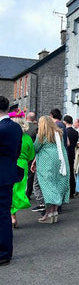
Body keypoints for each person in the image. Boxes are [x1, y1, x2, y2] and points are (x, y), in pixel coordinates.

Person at [33, 116, 70, 223]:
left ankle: (49, 214)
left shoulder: (42, 135)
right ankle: (54, 212)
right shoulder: (59, 133)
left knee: (47, 187)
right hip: (60, 161)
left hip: (46, 163)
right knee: (56, 185)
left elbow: (35, 148)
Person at [0, 96, 23, 265]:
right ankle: (5, 252)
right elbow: (17, 151)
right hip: (8, 173)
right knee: (4, 215)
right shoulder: (16, 128)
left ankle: (3, 253)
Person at [10, 111, 35, 228]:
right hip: (23, 164)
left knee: (9, 189)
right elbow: (31, 155)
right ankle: (13, 214)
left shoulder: (7, 136)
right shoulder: (27, 138)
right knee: (19, 189)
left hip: (9, 163)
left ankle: (12, 215)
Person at [63, 115, 79, 197]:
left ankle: (68, 191)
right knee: (71, 173)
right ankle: (72, 190)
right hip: (72, 153)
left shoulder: (65, 132)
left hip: (66, 153)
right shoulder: (75, 132)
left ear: (65, 122)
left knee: (66, 173)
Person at [25, 111, 38, 199]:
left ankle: (20, 192)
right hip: (32, 154)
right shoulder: (36, 128)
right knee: (30, 174)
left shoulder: (22, 126)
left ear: (26, 118)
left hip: (21, 153)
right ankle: (28, 193)